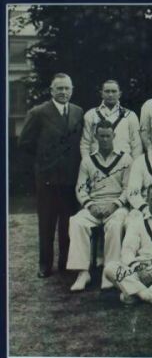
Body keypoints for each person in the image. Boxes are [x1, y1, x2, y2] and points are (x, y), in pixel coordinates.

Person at [18, 73, 84, 278]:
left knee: (68, 223)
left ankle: (66, 263)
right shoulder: (38, 112)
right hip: (48, 178)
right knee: (47, 223)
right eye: (59, 88)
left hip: (71, 178)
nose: (63, 92)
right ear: (51, 90)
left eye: (67, 88)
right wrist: (43, 162)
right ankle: (45, 265)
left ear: (72, 90)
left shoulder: (77, 111)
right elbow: (25, 143)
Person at [67, 120, 132, 291]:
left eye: (107, 136)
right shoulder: (88, 161)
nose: (104, 139)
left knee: (115, 225)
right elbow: (80, 188)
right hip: (94, 205)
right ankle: (82, 272)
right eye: (101, 136)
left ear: (114, 136)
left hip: (116, 206)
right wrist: (90, 205)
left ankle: (108, 272)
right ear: (96, 137)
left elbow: (128, 189)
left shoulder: (125, 159)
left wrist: (114, 204)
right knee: (76, 222)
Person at [80, 80, 142, 159]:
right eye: (107, 91)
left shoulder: (130, 115)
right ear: (101, 94)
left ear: (120, 94)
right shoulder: (91, 114)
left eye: (114, 91)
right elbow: (85, 143)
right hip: (97, 164)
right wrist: (87, 163)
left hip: (124, 164)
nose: (110, 94)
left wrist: (135, 166)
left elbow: (136, 144)